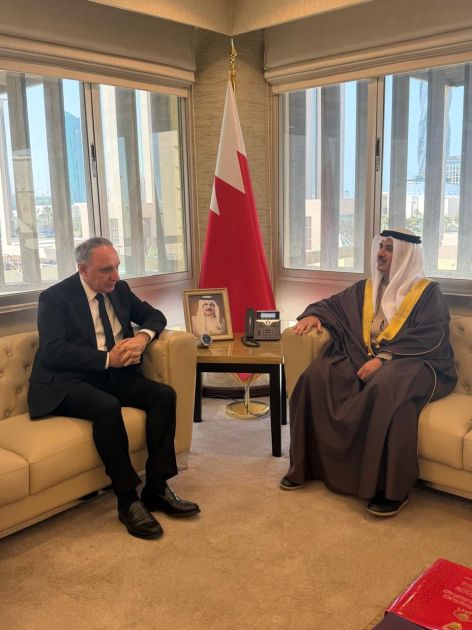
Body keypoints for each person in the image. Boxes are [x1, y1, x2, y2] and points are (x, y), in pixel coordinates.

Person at [28, 237, 200, 539]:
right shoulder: (55, 298)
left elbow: (154, 316)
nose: (115, 276)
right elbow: (54, 351)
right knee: (107, 406)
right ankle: (127, 499)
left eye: (117, 267)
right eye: (106, 270)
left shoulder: (119, 289)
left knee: (163, 396)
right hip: (68, 381)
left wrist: (142, 338)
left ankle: (156, 487)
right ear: (83, 269)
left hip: (114, 374)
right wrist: (108, 359)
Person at [280, 228, 457, 517]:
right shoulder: (367, 288)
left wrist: (385, 359)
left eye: (389, 249)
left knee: (386, 388)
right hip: (363, 356)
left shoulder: (427, 293)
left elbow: (431, 335)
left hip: (414, 363)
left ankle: (390, 490)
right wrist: (313, 315)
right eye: (380, 247)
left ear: (405, 255)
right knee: (317, 375)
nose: (381, 254)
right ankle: (307, 466)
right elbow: (331, 305)